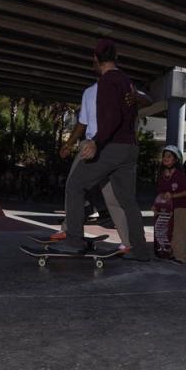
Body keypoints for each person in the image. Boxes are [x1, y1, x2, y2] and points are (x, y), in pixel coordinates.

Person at [47, 40, 150, 260]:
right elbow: (137, 105)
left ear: (95, 59)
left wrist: (96, 142)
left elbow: (110, 118)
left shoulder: (105, 82)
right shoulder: (125, 80)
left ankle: (74, 241)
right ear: (116, 58)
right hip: (130, 148)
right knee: (127, 200)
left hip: (109, 146)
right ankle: (140, 250)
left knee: (75, 185)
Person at [153, 145, 186, 263]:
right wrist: (155, 205)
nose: (165, 158)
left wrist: (173, 195)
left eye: (169, 156)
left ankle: (180, 258)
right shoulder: (161, 175)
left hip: (182, 207)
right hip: (168, 208)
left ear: (176, 159)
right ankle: (173, 255)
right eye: (164, 156)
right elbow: (160, 192)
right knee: (169, 232)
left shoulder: (179, 174)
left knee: (179, 232)